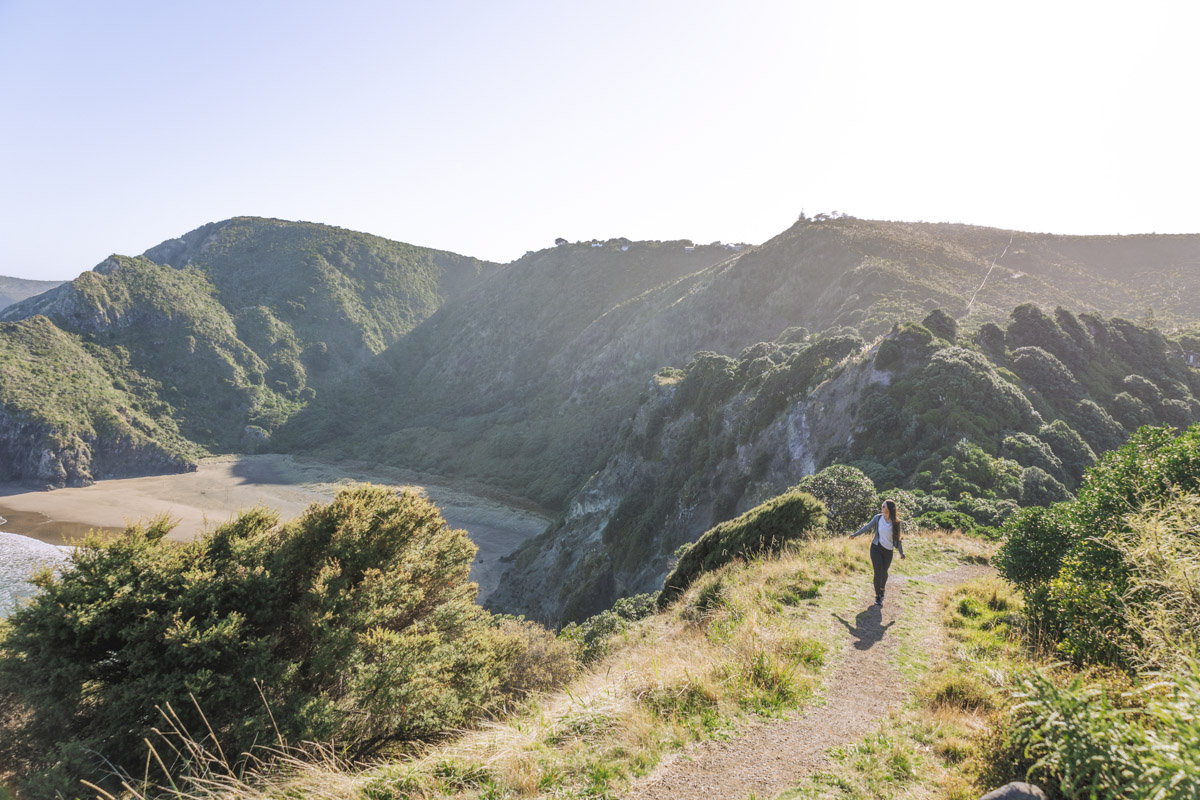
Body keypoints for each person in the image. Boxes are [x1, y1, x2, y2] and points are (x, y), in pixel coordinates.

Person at [849, 499, 905, 606]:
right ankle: (878, 596)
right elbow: (867, 527)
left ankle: (882, 588)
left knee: (884, 573)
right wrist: (855, 535)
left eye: (884, 506)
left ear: (889, 509)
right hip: (876, 548)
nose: (882, 508)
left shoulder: (896, 523)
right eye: (882, 506)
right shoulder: (878, 518)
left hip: (888, 551)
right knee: (877, 571)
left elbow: (898, 539)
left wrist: (901, 553)